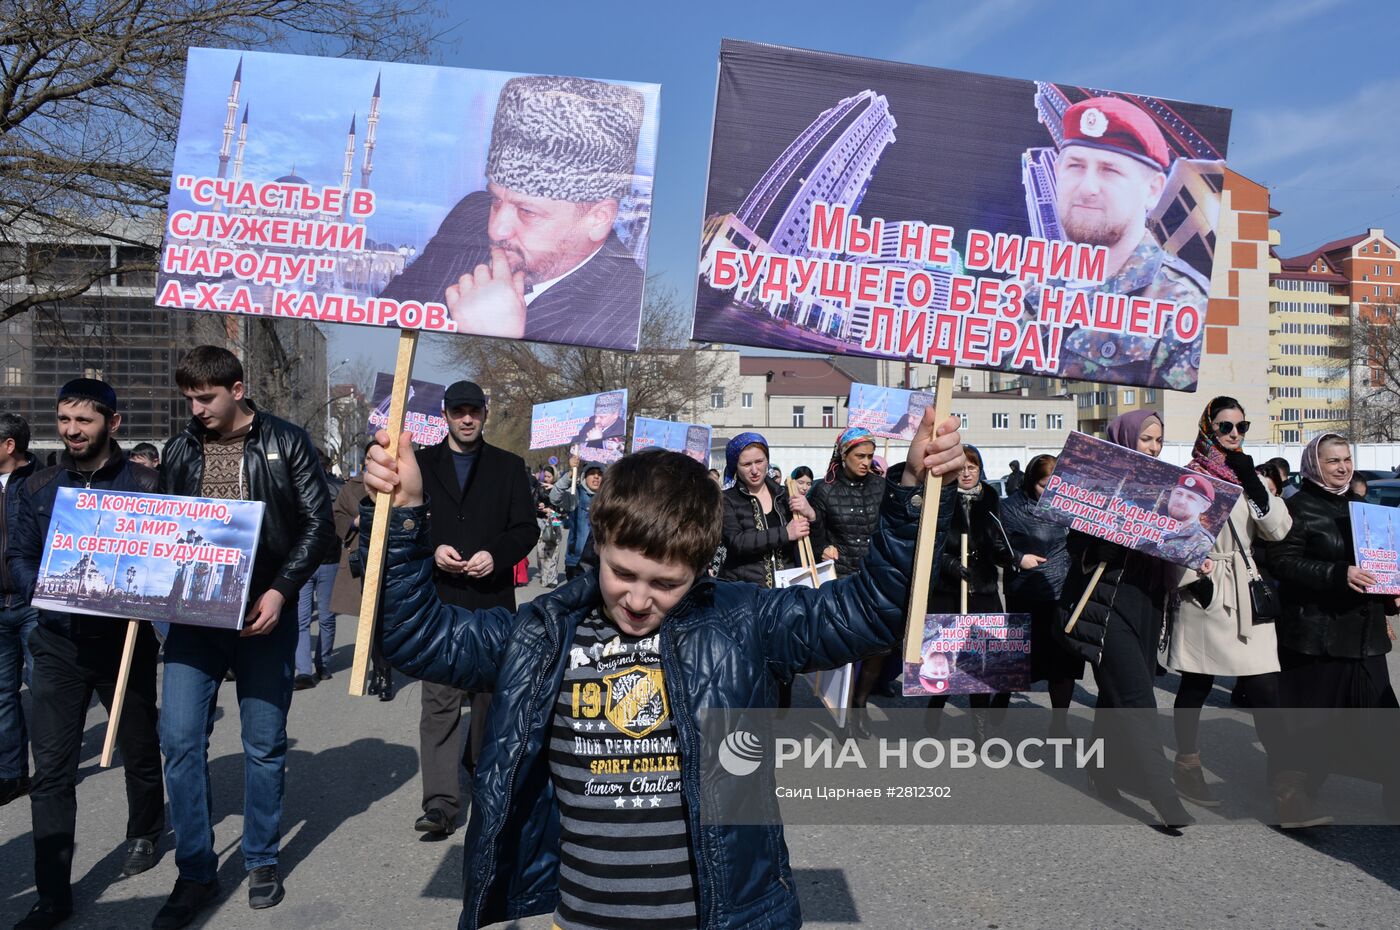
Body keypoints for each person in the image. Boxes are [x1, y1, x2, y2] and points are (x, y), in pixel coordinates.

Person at [360, 408, 965, 930]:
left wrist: (914, 490)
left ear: (701, 568)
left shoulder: (743, 623)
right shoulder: (544, 633)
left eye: (666, 583)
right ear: (598, 540)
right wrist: (406, 513)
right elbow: (419, 637)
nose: (639, 599)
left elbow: (871, 612)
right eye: (623, 573)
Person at [154, 347, 335, 927]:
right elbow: (160, 523)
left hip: (264, 616)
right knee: (180, 741)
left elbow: (317, 524)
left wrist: (281, 591)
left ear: (236, 388)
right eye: (188, 398)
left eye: (205, 397)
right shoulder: (181, 448)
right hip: (193, 616)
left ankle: (261, 859)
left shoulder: (286, 442)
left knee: (263, 744)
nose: (196, 408)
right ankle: (196, 871)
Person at [6, 381, 164, 930]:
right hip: (57, 643)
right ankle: (52, 893)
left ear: (112, 424)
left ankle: (145, 830)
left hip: (124, 642)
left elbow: (166, 554)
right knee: (50, 771)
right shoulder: (42, 485)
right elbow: (21, 553)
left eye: (84, 421)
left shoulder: (146, 483)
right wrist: (46, 588)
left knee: (140, 747)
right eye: (64, 419)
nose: (72, 430)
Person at [378, 76, 646, 348]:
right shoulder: (470, 215)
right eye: (496, 200)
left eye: (527, 211)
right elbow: (387, 313)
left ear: (597, 219)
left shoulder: (628, 314)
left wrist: (500, 343)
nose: (496, 229)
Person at [414, 379, 539, 839]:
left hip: (491, 604)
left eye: (474, 411)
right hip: (439, 602)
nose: (467, 418)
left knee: (489, 701)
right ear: (445, 414)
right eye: (458, 411)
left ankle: (486, 783)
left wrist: (496, 554)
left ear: (485, 414)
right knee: (440, 702)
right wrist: (431, 548)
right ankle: (441, 804)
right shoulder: (421, 464)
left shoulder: (508, 466)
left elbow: (526, 528)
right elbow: (402, 523)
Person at [1058, 409, 1194, 830]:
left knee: (1116, 695)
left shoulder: (1165, 490)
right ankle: (1163, 796)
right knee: (1137, 698)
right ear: (1125, 438)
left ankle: (1100, 770)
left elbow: (1179, 538)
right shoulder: (1100, 484)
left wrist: (1192, 556)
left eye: (1158, 440)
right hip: (1106, 605)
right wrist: (1100, 550)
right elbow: (1074, 544)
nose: (1153, 447)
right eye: (1146, 439)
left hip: (1146, 606)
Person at [1266, 433, 1400, 827]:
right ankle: (1291, 800)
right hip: (1317, 637)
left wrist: (1390, 593)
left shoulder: (1361, 508)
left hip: (1363, 637)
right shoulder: (1297, 508)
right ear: (1313, 464)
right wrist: (1338, 573)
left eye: (1346, 459)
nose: (1342, 467)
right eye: (1332, 461)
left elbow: (1379, 564)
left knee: (1386, 722)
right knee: (1308, 728)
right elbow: (1283, 564)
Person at [1165, 397, 1292, 809]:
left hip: (1246, 590)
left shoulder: (1250, 477)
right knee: (1197, 682)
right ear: (1207, 428)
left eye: (1242, 426)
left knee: (1265, 686)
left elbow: (1277, 531)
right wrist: (1191, 580)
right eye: (1225, 427)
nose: (1234, 434)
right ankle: (1187, 764)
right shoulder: (1187, 477)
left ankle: (1284, 782)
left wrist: (1252, 483)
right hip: (1205, 588)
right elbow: (1167, 539)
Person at [1040, 97, 1209, 390]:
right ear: (1057, 173)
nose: (1088, 188)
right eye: (1076, 166)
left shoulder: (1185, 307)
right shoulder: (1025, 288)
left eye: (1110, 170)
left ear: (1153, 190)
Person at [926, 445, 1046, 739]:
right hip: (948, 590)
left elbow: (999, 542)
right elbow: (928, 544)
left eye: (973, 467)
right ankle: (933, 711)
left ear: (980, 470)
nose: (967, 473)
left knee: (981, 660)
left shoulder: (991, 497)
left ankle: (979, 728)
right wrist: (951, 563)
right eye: (962, 468)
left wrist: (1017, 558)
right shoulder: (939, 498)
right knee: (946, 658)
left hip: (982, 589)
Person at [1000, 454, 1082, 735]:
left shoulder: (1070, 508)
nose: (1050, 493)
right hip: (1025, 592)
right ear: (1031, 482)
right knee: (1014, 661)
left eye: (1055, 486)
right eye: (1043, 486)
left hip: (1062, 593)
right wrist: (1017, 558)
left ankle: (1060, 724)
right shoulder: (1010, 508)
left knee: (1062, 664)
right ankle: (991, 720)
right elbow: (997, 543)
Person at [329, 451, 396, 700]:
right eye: (368, 457)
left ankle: (385, 673)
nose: (371, 461)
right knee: (368, 621)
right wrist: (354, 523)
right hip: (360, 560)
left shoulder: (394, 485)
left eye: (375, 457)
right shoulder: (351, 487)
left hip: (388, 559)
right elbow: (336, 514)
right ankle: (375, 673)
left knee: (382, 621)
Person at [718, 433, 815, 587]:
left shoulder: (785, 494)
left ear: (767, 461)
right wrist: (785, 533)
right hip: (745, 589)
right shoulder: (726, 499)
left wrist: (812, 515)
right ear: (735, 466)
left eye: (759, 461)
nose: (755, 470)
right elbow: (736, 542)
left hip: (787, 587)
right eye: (747, 464)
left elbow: (813, 542)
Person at [1, 412, 37, 808]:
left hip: (32, 603)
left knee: (43, 689)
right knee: (2, 695)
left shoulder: (45, 483)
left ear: (10, 445)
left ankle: (50, 770)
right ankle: (11, 774)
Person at [294, 452, 343, 689]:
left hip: (324, 560)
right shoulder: (294, 486)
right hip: (306, 562)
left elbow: (343, 522)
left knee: (323, 616)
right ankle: (307, 670)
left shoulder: (335, 488)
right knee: (309, 618)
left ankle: (319, 665)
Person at [553, 457, 604, 581]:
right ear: (584, 477)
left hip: (602, 562)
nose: (596, 477)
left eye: (600, 474)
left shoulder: (610, 499)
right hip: (576, 561)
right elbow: (555, 497)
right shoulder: (576, 495)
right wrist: (571, 472)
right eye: (592, 473)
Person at [1155, 473, 1220, 566]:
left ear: (1204, 507)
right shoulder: (1149, 524)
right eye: (1178, 493)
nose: (1180, 501)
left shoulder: (1203, 543)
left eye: (1191, 497)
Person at [534, 467, 565, 588]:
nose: (547, 479)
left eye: (549, 476)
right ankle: (544, 575)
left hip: (556, 520)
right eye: (545, 476)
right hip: (542, 520)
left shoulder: (560, 488)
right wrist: (540, 506)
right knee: (541, 550)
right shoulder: (539, 488)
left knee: (555, 548)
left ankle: (552, 578)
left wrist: (552, 512)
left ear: (555, 476)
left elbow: (564, 510)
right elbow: (533, 503)